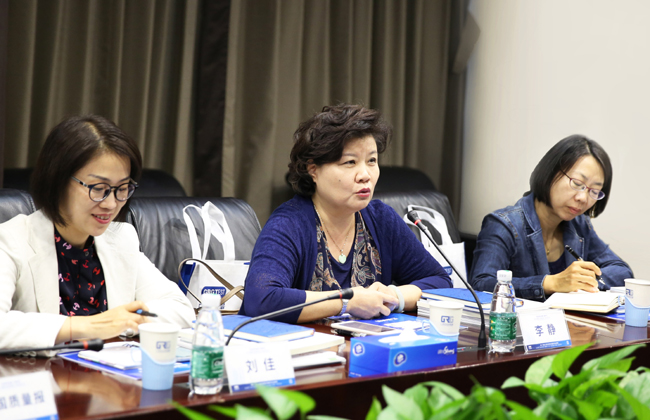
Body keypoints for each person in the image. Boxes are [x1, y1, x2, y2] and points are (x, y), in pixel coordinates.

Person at [240, 104, 452, 323]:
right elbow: (261, 299)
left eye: (372, 161)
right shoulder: (289, 224)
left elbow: (440, 282)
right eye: (350, 162)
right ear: (313, 169)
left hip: (368, 342)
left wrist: (393, 296)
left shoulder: (381, 219)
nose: (365, 175)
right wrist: (345, 302)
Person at [0, 115, 195, 351]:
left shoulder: (121, 239)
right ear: (58, 181)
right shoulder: (11, 240)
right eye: (99, 188)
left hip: (110, 371)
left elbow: (180, 309)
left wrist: (123, 323)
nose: (111, 204)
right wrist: (91, 325)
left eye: (122, 189)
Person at [469, 135, 632, 301]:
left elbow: (622, 271)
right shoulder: (504, 225)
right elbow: (481, 284)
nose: (583, 198)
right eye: (577, 184)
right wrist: (550, 283)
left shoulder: (579, 224)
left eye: (594, 191)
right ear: (551, 173)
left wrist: (585, 281)